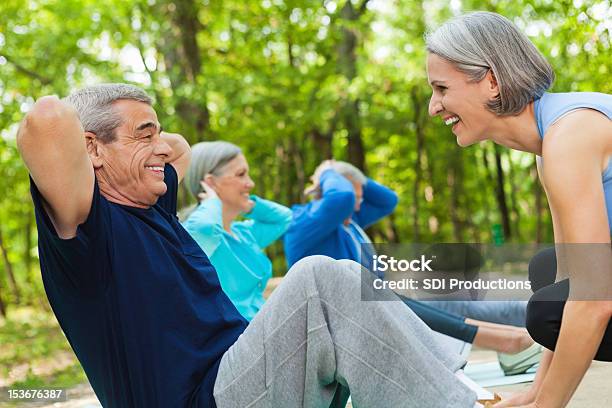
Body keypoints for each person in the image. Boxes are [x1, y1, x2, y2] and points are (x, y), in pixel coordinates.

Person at [18, 84, 479, 408]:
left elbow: (181, 152)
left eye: (157, 133)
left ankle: (449, 389)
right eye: (145, 134)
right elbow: (46, 118)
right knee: (320, 277)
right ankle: (455, 397)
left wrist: (144, 131)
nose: (161, 147)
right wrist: (108, 124)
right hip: (205, 398)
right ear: (91, 149)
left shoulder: (153, 208)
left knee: (337, 278)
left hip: (239, 380)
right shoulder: (87, 233)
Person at [425, 11, 612, 407]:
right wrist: (534, 395)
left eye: (441, 88)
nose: (433, 106)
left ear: (491, 81)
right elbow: (569, 279)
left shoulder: (570, 137)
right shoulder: (552, 145)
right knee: (546, 274)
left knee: (546, 311)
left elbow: (593, 301)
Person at [285, 160, 536, 361]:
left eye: (360, 197)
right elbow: (341, 199)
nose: (359, 204)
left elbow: (388, 200)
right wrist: (328, 171)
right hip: (352, 317)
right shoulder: (304, 223)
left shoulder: (348, 222)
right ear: (331, 188)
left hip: (380, 303)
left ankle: (544, 315)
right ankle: (512, 338)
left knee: (457, 301)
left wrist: (354, 178)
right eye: (355, 197)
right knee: (442, 308)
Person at [182, 141, 292, 321]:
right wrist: (211, 202)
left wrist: (251, 206)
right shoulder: (198, 236)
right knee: (311, 269)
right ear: (211, 183)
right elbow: (205, 227)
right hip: (234, 339)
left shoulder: (243, 232)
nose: (250, 183)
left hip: (262, 328)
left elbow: (283, 218)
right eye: (241, 175)